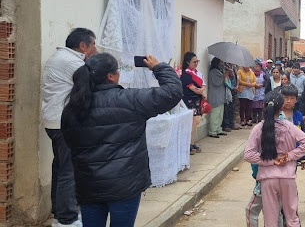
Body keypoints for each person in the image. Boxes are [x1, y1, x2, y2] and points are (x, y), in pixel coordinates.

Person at [61, 53, 183, 226]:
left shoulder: (73, 108)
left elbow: (70, 141)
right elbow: (173, 91)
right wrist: (158, 67)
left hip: (89, 183)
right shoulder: (130, 100)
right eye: (117, 71)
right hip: (125, 184)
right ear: (110, 76)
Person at [42, 28, 97, 227]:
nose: (94, 49)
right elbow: (88, 90)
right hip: (64, 124)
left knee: (60, 167)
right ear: (83, 46)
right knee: (69, 171)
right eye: (93, 45)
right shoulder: (74, 63)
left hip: (53, 121)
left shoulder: (59, 56)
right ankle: (66, 219)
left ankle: (59, 214)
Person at [244, 91, 305, 227]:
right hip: (288, 177)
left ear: (264, 107)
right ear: (281, 108)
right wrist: (291, 155)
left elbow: (248, 155)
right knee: (292, 217)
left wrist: (270, 160)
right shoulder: (289, 126)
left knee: (271, 219)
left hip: (267, 178)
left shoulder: (258, 128)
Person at [181, 52, 206, 155]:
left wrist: (202, 90)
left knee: (196, 121)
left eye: (197, 61)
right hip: (189, 100)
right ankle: (188, 143)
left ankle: (191, 142)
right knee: (193, 121)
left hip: (197, 100)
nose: (196, 64)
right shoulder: (186, 75)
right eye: (194, 62)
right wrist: (200, 91)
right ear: (188, 62)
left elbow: (203, 85)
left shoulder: (198, 73)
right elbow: (193, 88)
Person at [278, 84, 305, 168]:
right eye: (286, 98)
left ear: (296, 100)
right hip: (278, 153)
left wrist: (303, 158)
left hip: (293, 154)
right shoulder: (275, 114)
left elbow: (303, 137)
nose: (288, 101)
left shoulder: (298, 116)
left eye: (292, 98)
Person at [208, 57, 227, 138]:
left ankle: (218, 129)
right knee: (215, 114)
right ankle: (213, 131)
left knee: (220, 114)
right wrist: (224, 76)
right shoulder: (213, 72)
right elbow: (216, 83)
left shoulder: (219, 71)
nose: (222, 64)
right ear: (217, 63)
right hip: (215, 95)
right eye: (221, 62)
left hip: (220, 96)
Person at [222, 64, 241, 132]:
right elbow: (226, 81)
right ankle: (226, 125)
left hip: (234, 90)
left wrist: (237, 86)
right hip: (228, 91)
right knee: (227, 108)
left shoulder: (234, 68)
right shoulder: (225, 68)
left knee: (232, 108)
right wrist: (232, 87)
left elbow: (237, 78)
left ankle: (232, 123)